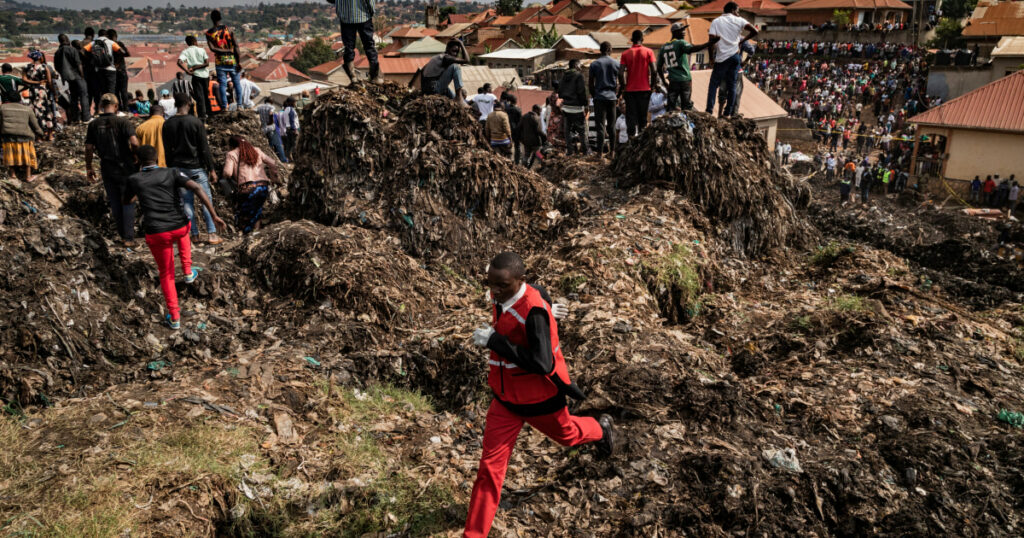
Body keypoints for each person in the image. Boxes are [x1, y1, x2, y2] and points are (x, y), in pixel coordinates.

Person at [465, 252, 615, 538]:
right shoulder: (509, 293)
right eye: (490, 284)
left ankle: (600, 428)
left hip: (539, 400)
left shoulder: (533, 312)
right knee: (489, 469)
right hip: (505, 401)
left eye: (502, 286)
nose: (494, 291)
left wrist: (495, 341)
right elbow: (540, 293)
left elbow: (543, 363)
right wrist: (549, 303)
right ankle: (473, 535)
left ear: (519, 281)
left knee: (568, 435)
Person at [124, 144, 225, 330]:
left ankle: (175, 316)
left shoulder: (134, 179)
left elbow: (127, 201)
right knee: (185, 227)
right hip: (179, 226)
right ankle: (187, 271)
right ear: (157, 158)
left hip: (157, 232)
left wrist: (143, 194)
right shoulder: (172, 173)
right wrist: (213, 214)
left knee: (166, 274)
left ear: (137, 159)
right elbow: (196, 187)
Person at [163, 92, 222, 245]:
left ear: (175, 104)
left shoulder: (168, 124)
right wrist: (212, 170)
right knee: (205, 200)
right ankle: (212, 234)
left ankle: (194, 235)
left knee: (186, 202)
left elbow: (167, 150)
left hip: (178, 168)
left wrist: (171, 171)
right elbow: (204, 148)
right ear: (189, 104)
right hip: (196, 167)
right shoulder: (195, 122)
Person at [85, 93, 139, 247]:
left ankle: (123, 235)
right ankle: (129, 238)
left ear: (101, 106)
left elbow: (89, 147)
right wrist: (135, 155)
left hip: (107, 166)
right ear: (116, 106)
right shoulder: (123, 122)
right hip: (125, 165)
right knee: (128, 199)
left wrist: (89, 167)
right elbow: (134, 142)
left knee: (114, 200)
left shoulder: (93, 124)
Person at [706, 1, 758, 117]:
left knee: (714, 84)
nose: (739, 14)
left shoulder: (716, 21)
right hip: (735, 57)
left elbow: (711, 42)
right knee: (732, 85)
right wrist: (742, 40)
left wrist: (711, 59)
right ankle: (727, 112)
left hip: (721, 58)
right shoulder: (740, 21)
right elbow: (755, 31)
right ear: (733, 10)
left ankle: (709, 111)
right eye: (738, 11)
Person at [223, 135, 279, 233]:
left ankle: (247, 234)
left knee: (245, 215)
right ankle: (257, 232)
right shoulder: (256, 150)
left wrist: (224, 176)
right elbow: (272, 163)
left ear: (232, 145)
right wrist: (274, 178)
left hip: (247, 189)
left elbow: (228, 173)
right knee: (257, 210)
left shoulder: (232, 154)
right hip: (263, 187)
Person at [657, 22, 718, 112]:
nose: (684, 32)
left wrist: (664, 81)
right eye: (682, 30)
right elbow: (693, 49)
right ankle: (687, 123)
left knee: (671, 106)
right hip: (684, 80)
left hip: (673, 81)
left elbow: (659, 67)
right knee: (686, 106)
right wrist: (709, 43)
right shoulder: (680, 43)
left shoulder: (663, 47)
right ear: (675, 32)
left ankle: (670, 123)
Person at [618, 30, 656, 138]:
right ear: (642, 39)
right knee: (642, 118)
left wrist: (623, 88)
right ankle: (641, 142)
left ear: (632, 40)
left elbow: (620, 73)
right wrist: (652, 86)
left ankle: (630, 141)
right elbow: (654, 71)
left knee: (631, 118)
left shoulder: (625, 54)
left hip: (630, 91)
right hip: (645, 90)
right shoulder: (649, 52)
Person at [333, 0, 380, 83]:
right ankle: (374, 76)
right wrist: (371, 11)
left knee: (349, 47)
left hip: (346, 16)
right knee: (369, 45)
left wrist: (340, 7)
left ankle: (353, 77)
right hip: (363, 15)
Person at [205, 10, 243, 111]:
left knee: (222, 84)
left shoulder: (209, 33)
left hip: (220, 62)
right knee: (237, 83)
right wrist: (239, 62)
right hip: (232, 61)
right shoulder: (229, 30)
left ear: (211, 19)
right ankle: (239, 105)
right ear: (220, 18)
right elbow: (236, 47)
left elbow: (212, 49)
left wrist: (223, 51)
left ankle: (224, 107)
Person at [0, 98, 44, 181]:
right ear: (19, 100)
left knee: (10, 156)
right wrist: (41, 133)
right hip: (25, 137)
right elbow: (35, 125)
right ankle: (28, 176)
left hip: (8, 137)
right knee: (27, 156)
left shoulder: (2, 108)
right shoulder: (27, 109)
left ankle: (13, 175)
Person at [588, 41, 619, 158]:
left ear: (600, 50)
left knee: (600, 126)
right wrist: (617, 94)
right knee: (612, 126)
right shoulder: (616, 63)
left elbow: (590, 84)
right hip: (612, 98)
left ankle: (600, 153)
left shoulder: (594, 64)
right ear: (610, 50)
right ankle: (612, 152)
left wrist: (594, 95)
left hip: (599, 98)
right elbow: (621, 81)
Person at [54, 34, 89, 123]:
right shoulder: (72, 49)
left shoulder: (57, 53)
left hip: (67, 78)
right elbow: (78, 64)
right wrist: (82, 76)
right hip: (76, 75)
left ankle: (76, 118)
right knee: (83, 95)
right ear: (67, 40)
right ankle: (86, 117)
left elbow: (57, 67)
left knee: (73, 97)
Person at [23, 51, 57, 140]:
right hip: (43, 91)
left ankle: (39, 136)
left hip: (32, 92)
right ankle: (50, 135)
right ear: (39, 58)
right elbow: (49, 82)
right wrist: (54, 93)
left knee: (36, 113)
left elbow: (24, 79)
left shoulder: (27, 67)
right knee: (47, 112)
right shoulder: (45, 67)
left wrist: (34, 82)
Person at [558, 59, 589, 156]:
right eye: (579, 65)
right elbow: (581, 92)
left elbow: (560, 92)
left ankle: (570, 152)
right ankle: (585, 151)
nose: (580, 68)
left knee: (567, 131)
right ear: (575, 65)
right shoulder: (579, 76)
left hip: (566, 108)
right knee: (582, 131)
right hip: (577, 108)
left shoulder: (564, 76)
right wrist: (584, 104)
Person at [82, 30, 122, 101]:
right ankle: (111, 107)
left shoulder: (93, 43)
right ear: (106, 35)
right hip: (110, 69)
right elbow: (121, 51)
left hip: (99, 69)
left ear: (98, 35)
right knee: (111, 90)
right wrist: (117, 63)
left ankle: (103, 108)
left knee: (102, 90)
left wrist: (92, 59)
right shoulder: (110, 42)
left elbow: (83, 51)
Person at [178, 35, 210, 120]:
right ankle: (209, 114)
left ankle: (202, 116)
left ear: (188, 43)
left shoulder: (185, 51)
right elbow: (207, 63)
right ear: (195, 42)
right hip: (205, 75)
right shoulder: (202, 50)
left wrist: (188, 70)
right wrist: (198, 67)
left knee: (200, 97)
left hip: (196, 76)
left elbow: (179, 62)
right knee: (206, 95)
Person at [256, 96, 288, 162]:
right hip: (271, 128)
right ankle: (283, 159)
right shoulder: (271, 107)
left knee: (269, 144)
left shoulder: (259, 107)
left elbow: (254, 112)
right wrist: (271, 121)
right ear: (271, 102)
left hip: (263, 128)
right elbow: (271, 113)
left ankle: (269, 159)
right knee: (278, 144)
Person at [107, 30, 131, 112]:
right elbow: (127, 54)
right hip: (121, 70)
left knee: (116, 91)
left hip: (112, 71)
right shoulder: (119, 44)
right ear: (115, 36)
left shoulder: (107, 45)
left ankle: (119, 108)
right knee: (124, 91)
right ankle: (126, 109)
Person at [519, 104, 545, 169]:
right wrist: (544, 137)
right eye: (539, 111)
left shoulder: (524, 116)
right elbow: (539, 130)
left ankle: (524, 167)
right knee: (538, 153)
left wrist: (522, 138)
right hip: (535, 141)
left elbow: (519, 128)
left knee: (526, 154)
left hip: (526, 141)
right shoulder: (536, 118)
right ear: (536, 110)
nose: (540, 113)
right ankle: (543, 163)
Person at [277, 96, 300, 161]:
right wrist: (295, 129)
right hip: (292, 129)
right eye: (294, 102)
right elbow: (292, 120)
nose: (295, 103)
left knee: (289, 145)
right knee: (295, 144)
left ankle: (289, 158)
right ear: (291, 102)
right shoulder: (291, 109)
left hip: (288, 129)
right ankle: (295, 158)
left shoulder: (286, 110)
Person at [503, 93, 523, 164]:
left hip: (507, 129)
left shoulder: (506, 109)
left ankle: (508, 160)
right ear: (515, 101)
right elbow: (521, 121)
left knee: (508, 146)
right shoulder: (518, 109)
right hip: (516, 130)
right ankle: (516, 162)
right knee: (517, 146)